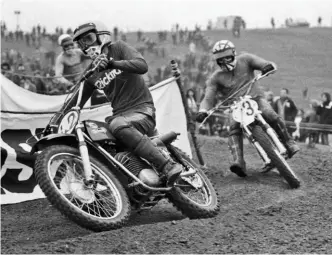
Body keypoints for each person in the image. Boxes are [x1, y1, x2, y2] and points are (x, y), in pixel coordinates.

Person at [50, 22, 182, 185]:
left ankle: (167, 165)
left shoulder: (118, 48)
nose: (86, 45)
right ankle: (129, 185)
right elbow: (74, 103)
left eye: (89, 39)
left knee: (117, 124)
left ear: (100, 36)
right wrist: (54, 122)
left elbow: (142, 66)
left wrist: (113, 63)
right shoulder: (92, 72)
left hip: (142, 109)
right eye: (81, 43)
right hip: (122, 116)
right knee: (98, 138)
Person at [195, 40, 299, 177]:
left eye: (228, 58)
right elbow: (208, 97)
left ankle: (289, 142)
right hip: (235, 107)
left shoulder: (245, 59)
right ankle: (239, 162)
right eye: (221, 60)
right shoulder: (216, 78)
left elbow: (262, 63)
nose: (225, 62)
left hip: (255, 98)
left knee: (270, 114)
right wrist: (203, 110)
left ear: (233, 54)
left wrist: (267, 66)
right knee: (233, 129)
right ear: (217, 62)